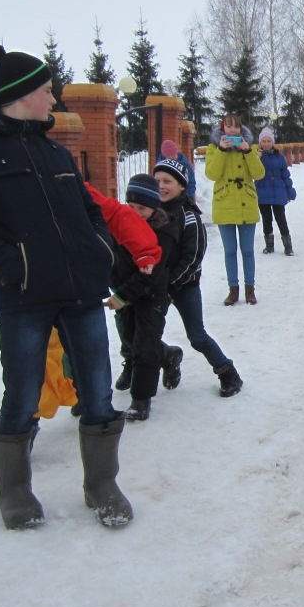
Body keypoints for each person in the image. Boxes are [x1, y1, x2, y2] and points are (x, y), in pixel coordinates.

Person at [0, 43, 132, 529]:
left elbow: (89, 208)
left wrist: (98, 251)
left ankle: (101, 484)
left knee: (97, 390)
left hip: (80, 294)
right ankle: (16, 494)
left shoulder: (53, 150)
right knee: (23, 395)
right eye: (47, 91)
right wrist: (17, 266)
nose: (53, 100)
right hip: (23, 299)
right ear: (22, 95)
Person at [153, 158, 244, 397]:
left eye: (167, 181)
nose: (161, 185)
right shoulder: (150, 211)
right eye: (157, 180)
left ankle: (228, 373)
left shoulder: (189, 216)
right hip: (155, 287)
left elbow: (193, 258)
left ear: (182, 186)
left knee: (197, 336)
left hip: (184, 286)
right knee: (145, 334)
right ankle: (167, 357)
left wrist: (171, 285)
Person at [105, 174, 179, 422]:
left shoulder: (162, 230)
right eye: (131, 207)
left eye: (143, 208)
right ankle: (168, 355)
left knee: (145, 345)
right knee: (129, 339)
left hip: (152, 294)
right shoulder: (118, 225)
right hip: (125, 292)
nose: (136, 213)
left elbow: (151, 273)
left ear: (154, 206)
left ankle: (141, 399)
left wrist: (123, 295)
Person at [205, 113, 266, 305]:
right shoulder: (213, 148)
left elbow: (259, 174)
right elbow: (212, 174)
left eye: (236, 127)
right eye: (229, 127)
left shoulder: (250, 147)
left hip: (246, 203)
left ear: (241, 129)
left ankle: (250, 289)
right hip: (224, 204)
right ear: (223, 128)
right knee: (230, 251)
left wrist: (248, 152)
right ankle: (233, 290)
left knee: (247, 251)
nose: (233, 130)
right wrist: (222, 151)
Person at [256, 127, 297, 256]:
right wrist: (257, 158)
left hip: (278, 193)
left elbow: (286, 175)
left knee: (281, 219)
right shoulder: (256, 156)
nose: (266, 143)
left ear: (272, 142)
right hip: (262, 193)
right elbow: (252, 171)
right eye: (264, 141)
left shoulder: (279, 157)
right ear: (260, 142)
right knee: (266, 219)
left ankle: (288, 246)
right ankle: (269, 245)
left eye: (269, 141)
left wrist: (289, 192)